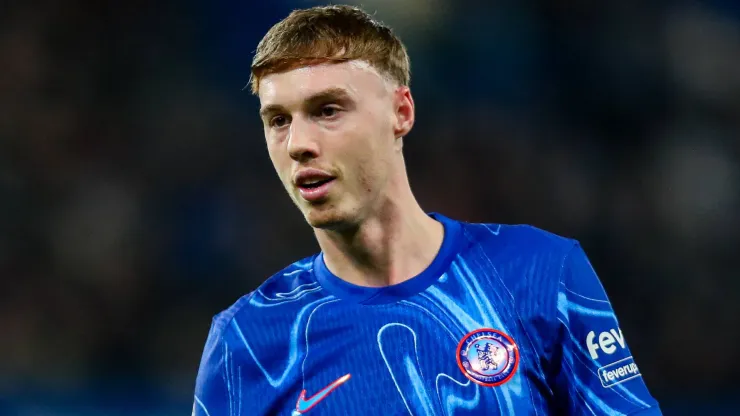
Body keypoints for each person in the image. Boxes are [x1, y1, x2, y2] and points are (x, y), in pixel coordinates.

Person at [192, 5, 662, 415]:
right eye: (278, 120)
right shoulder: (247, 341)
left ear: (401, 113)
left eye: (328, 110)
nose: (298, 144)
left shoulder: (541, 272)